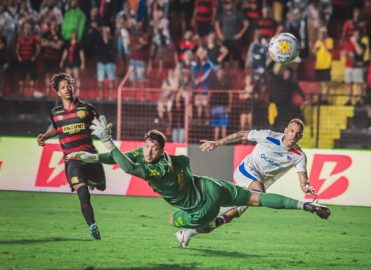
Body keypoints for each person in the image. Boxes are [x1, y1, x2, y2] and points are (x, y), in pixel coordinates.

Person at [67, 118, 330, 248]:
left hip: (203, 201)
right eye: (146, 147)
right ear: (286, 130)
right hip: (228, 180)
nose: (146, 152)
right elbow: (134, 159)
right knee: (255, 199)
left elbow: (128, 166)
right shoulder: (169, 157)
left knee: (177, 220)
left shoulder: (158, 167)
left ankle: (195, 228)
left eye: (151, 148)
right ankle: (305, 208)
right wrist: (93, 156)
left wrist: (109, 142)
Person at [178, 118, 319, 246]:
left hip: (259, 183)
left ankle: (190, 231)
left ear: (301, 136)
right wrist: (217, 143)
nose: (293, 135)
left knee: (231, 214)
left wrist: (306, 187)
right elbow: (242, 134)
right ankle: (204, 213)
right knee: (259, 193)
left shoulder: (299, 156)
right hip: (246, 171)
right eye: (291, 131)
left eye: (297, 133)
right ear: (285, 131)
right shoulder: (268, 136)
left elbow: (303, 179)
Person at [36, 73, 106, 240]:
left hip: (90, 158)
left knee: (102, 186)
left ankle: (92, 181)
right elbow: (56, 128)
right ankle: (92, 226)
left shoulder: (86, 108)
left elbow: (100, 124)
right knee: (83, 194)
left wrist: (104, 130)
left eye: (69, 86)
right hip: (72, 161)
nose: (67, 89)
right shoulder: (56, 112)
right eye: (63, 87)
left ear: (73, 87)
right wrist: (45, 136)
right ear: (58, 92)